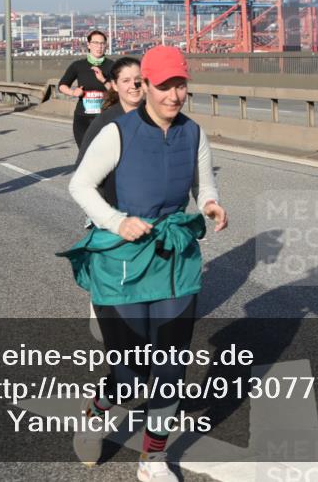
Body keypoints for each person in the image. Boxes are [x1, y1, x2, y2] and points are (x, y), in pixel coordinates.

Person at [63, 45, 227, 480]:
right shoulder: (118, 131)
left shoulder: (194, 133)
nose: (174, 95)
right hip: (123, 263)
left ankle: (153, 458)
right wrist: (116, 222)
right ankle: (97, 412)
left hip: (175, 259)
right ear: (147, 85)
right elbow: (80, 185)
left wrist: (210, 204)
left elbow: (204, 183)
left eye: (181, 85)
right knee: (133, 371)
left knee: (172, 365)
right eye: (165, 85)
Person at [74, 56, 145, 209]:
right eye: (126, 81)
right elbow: (82, 171)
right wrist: (102, 210)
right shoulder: (105, 122)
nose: (134, 85)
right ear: (115, 85)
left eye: (138, 79)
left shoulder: (158, 118)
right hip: (117, 212)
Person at [58, 30, 118, 148]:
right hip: (82, 118)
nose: (99, 46)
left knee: (102, 152)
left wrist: (103, 80)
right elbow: (62, 85)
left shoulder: (112, 66)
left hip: (104, 117)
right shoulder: (78, 65)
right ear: (89, 45)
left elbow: (117, 91)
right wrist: (73, 92)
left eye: (102, 43)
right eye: (95, 43)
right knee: (84, 152)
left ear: (106, 45)